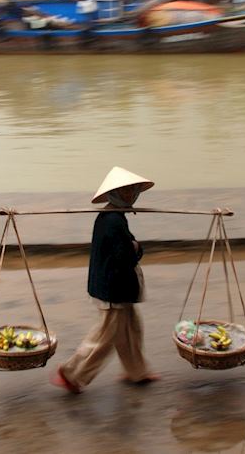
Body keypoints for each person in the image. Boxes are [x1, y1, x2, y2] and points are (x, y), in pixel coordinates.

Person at [50, 166, 160, 394]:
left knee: (130, 330)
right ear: (116, 194)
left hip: (117, 287)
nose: (131, 196)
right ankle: (72, 373)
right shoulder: (113, 222)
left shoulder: (112, 217)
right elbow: (125, 256)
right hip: (113, 289)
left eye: (133, 191)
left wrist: (133, 246)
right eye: (127, 192)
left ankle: (136, 371)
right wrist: (137, 248)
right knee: (104, 338)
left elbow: (125, 248)